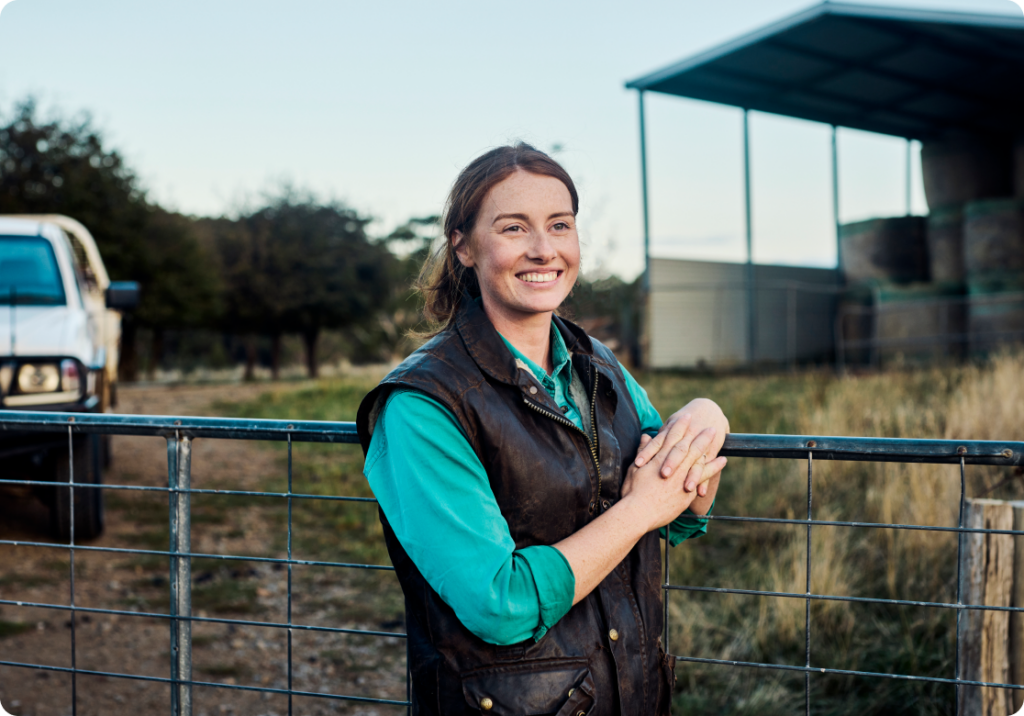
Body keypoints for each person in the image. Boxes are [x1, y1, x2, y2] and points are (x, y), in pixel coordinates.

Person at [357, 143, 729, 716]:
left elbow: (678, 511)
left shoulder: (598, 364)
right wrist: (638, 511)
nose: (544, 249)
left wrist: (705, 414)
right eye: (513, 228)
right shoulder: (422, 404)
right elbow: (499, 604)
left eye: (560, 225)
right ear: (463, 246)